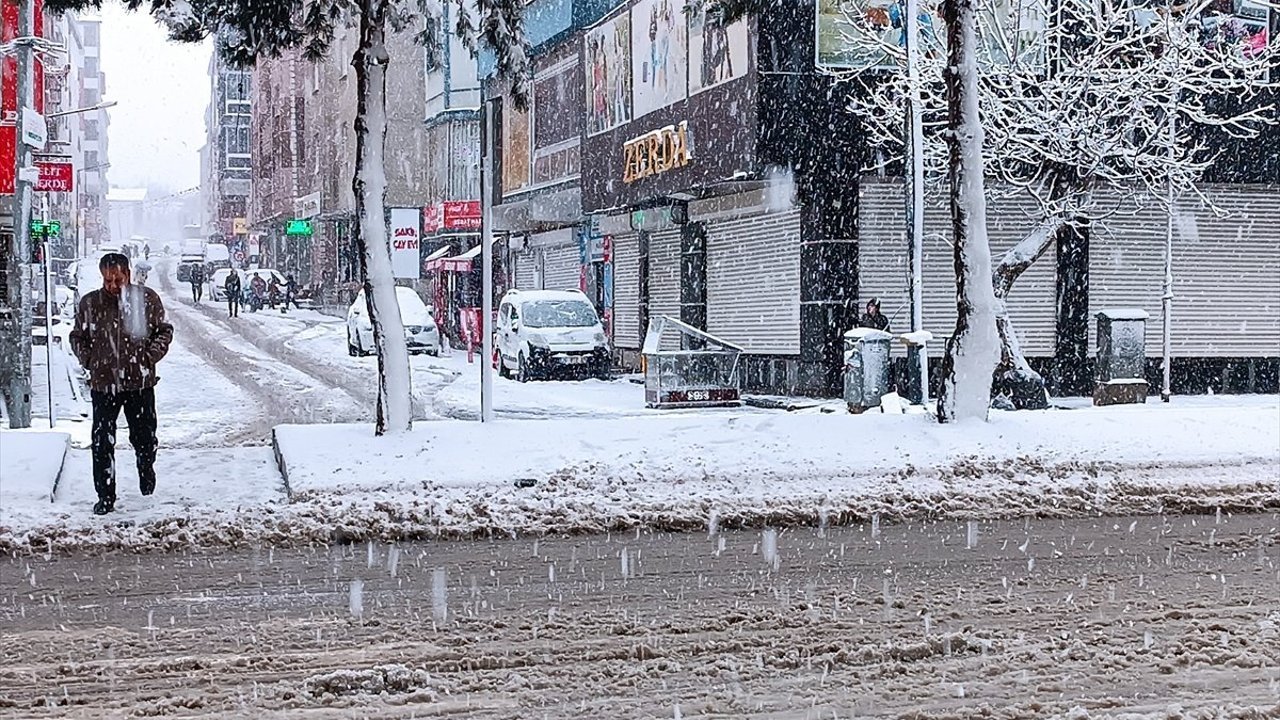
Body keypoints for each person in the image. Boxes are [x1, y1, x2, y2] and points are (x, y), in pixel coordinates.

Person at [69, 253, 174, 516]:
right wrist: (90, 360)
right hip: (104, 384)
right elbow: (77, 337)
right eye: (107, 280)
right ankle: (105, 495)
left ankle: (145, 466)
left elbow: (163, 331)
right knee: (102, 442)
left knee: (145, 437)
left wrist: (148, 357)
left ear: (127, 273)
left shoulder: (145, 299)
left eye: (118, 279)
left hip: (140, 382)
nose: (113, 285)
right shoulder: (91, 303)